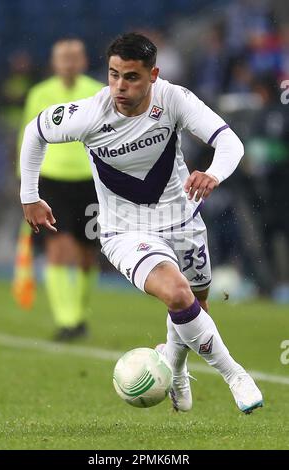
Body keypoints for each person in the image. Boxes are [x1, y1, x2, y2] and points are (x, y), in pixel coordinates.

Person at [19, 33, 263, 413]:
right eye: (113, 74)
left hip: (183, 222)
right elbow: (35, 132)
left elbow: (230, 143)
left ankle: (176, 369)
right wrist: (29, 196)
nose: (119, 86)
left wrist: (213, 173)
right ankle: (235, 375)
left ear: (153, 75)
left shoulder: (173, 99)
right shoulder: (89, 113)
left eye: (131, 77)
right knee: (178, 294)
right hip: (125, 232)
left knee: (195, 305)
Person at [18, 39, 104, 341]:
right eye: (62, 58)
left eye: (74, 57)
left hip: (90, 182)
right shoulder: (40, 94)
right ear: (54, 63)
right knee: (58, 248)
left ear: (82, 61)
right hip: (51, 181)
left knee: (86, 254)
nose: (68, 63)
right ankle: (67, 321)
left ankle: (78, 315)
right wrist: (25, 188)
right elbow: (27, 139)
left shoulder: (97, 92)